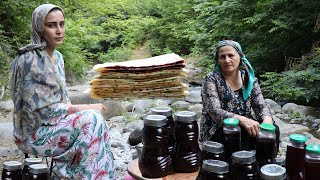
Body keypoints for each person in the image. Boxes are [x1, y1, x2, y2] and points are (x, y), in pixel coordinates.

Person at [10, 4, 115, 179]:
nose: (59, 30)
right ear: (39, 28)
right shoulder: (30, 60)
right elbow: (43, 111)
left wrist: (76, 113)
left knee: (94, 122)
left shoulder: (58, 58)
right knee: (92, 119)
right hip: (33, 131)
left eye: (62, 24)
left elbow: (63, 100)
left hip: (56, 123)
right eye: (51, 25)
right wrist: (80, 109)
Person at [200, 40, 280, 151]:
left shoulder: (249, 78)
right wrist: (242, 120)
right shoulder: (211, 79)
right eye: (222, 57)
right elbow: (214, 111)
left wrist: (267, 121)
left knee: (273, 131)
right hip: (218, 128)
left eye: (231, 55)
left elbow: (260, 106)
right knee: (238, 134)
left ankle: (265, 164)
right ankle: (241, 165)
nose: (227, 60)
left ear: (240, 57)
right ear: (218, 60)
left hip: (245, 124)